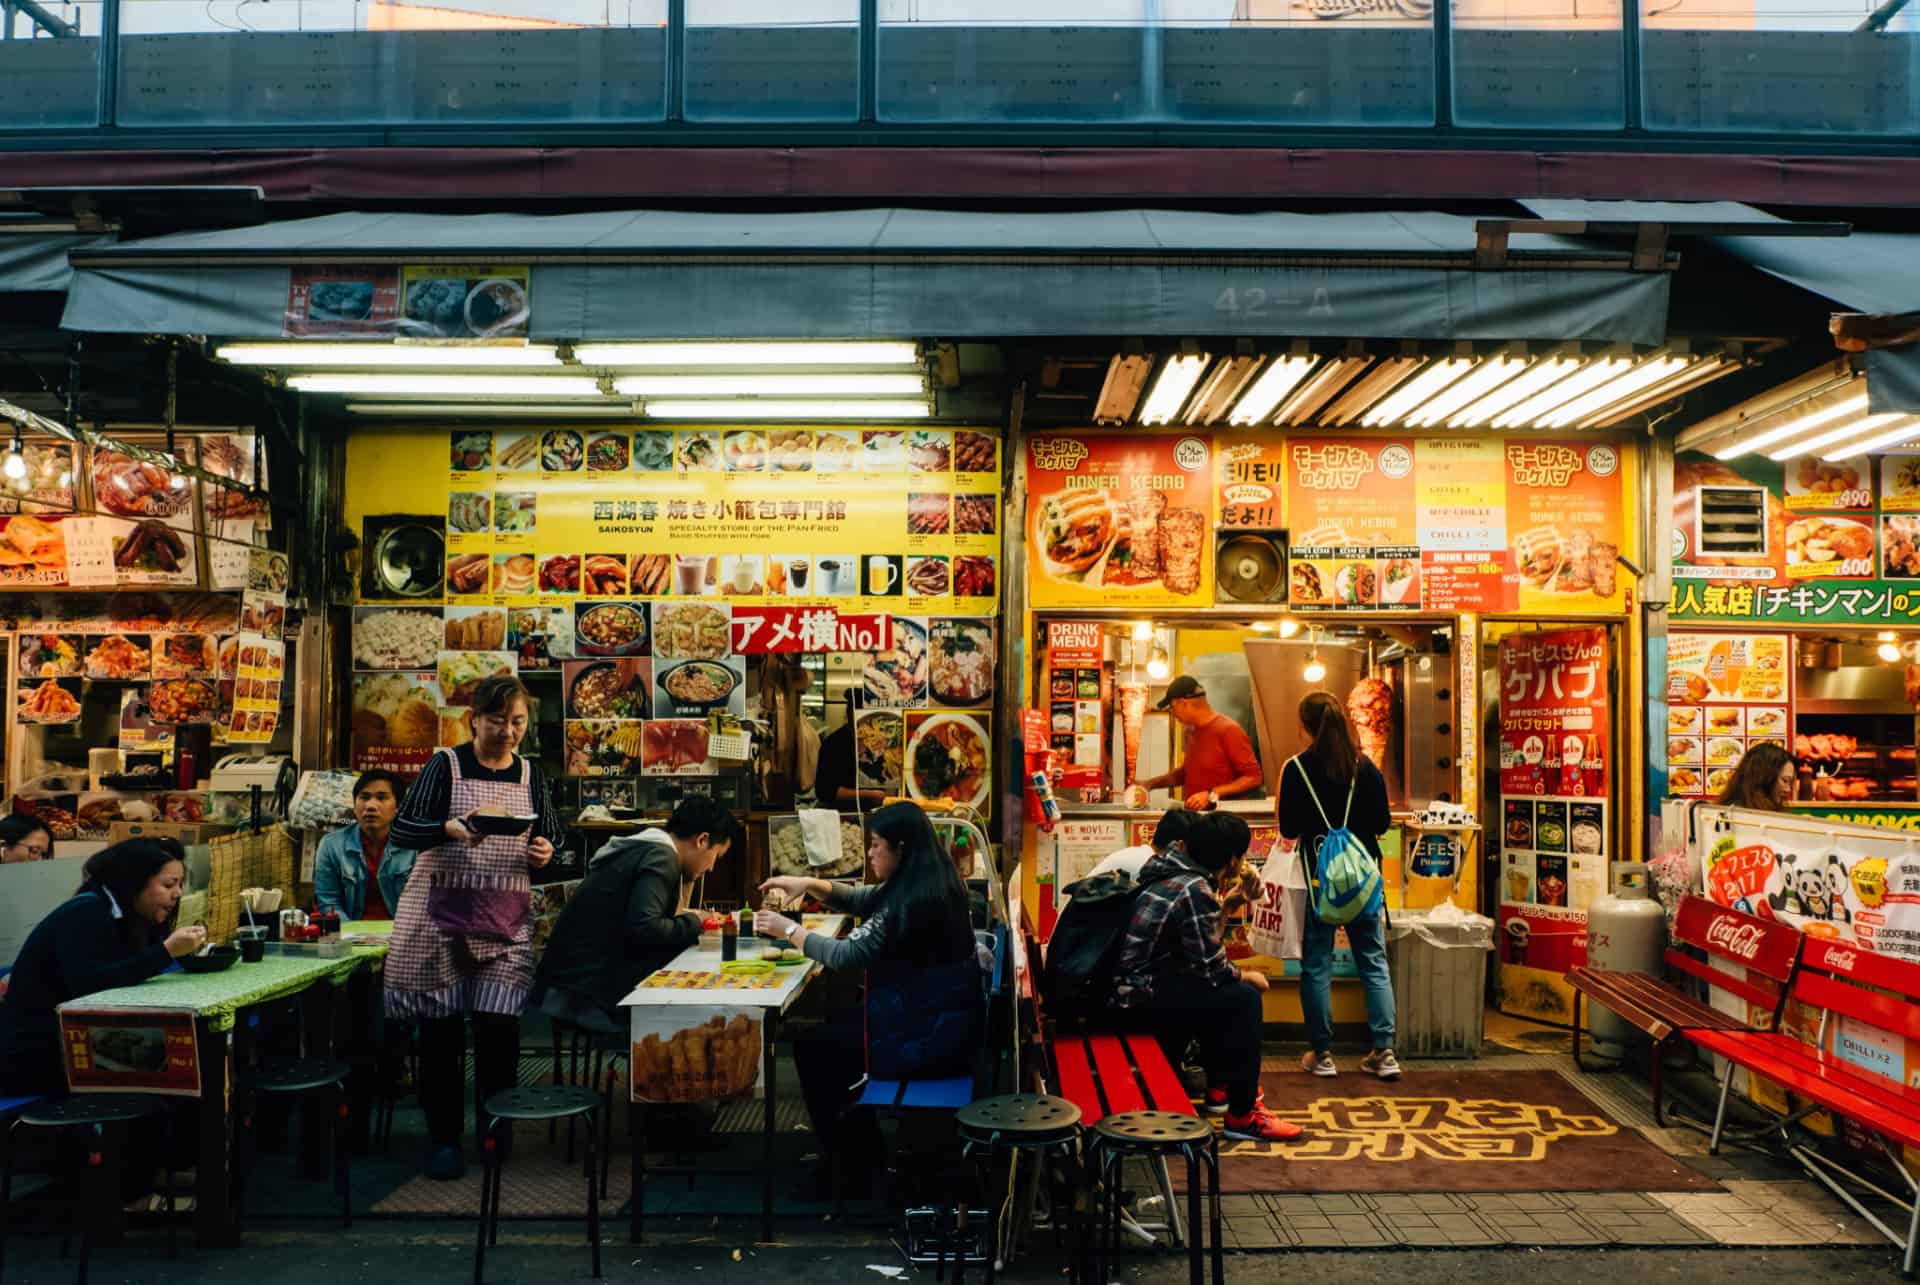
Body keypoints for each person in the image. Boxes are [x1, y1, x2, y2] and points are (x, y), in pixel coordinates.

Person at [384, 676, 563, 1181]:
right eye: (498, 720)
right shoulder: (446, 764)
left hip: (504, 921)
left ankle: (494, 1130)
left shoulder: (531, 773)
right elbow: (403, 829)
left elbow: (552, 834)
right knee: (440, 1036)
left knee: (499, 1030)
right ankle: (443, 1139)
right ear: (474, 720)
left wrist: (545, 850)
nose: (508, 731)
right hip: (441, 918)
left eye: (518, 722)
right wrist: (448, 827)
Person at [754, 801, 981, 1193]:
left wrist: (787, 930)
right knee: (827, 1039)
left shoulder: (914, 901)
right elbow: (861, 899)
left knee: (814, 1049)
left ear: (902, 848)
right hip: (929, 1022)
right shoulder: (927, 881)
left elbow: (847, 955)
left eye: (877, 846)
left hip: (924, 1040)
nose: (871, 853)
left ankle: (853, 1167)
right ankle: (857, 1156)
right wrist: (807, 883)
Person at [1107, 811, 1297, 1141]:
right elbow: (1212, 968)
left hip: (1135, 992)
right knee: (1243, 1000)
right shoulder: (1193, 888)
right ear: (1234, 859)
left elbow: (1198, 955)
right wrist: (1248, 976)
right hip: (1139, 1002)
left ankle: (1221, 1088)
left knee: (1217, 994)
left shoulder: (1171, 873)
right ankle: (1242, 1114)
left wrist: (1225, 909)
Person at [0, 837, 205, 1096]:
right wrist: (165, 953)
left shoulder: (134, 918)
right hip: (36, 1055)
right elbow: (90, 985)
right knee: (172, 1074)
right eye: (168, 884)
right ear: (134, 882)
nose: (178, 893)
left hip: (81, 1044)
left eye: (179, 884)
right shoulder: (86, 912)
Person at [531, 797, 742, 1034]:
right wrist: (698, 921)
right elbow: (645, 928)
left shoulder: (645, 848)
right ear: (702, 840)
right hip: (584, 994)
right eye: (716, 857)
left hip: (568, 985)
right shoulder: (661, 857)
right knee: (695, 1022)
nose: (712, 868)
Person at [1277, 691, 1399, 1082]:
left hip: (1319, 885)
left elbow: (1288, 829)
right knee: (1374, 963)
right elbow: (1381, 824)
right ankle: (1384, 1053)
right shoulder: (1366, 768)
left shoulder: (1296, 768)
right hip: (1363, 884)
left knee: (1316, 966)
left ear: (1305, 726)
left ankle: (1323, 1054)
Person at [1139, 676, 1263, 811]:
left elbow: (1254, 778)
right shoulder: (1190, 731)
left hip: (1221, 821)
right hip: (1194, 817)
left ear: (1183, 703)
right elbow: (1186, 772)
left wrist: (1211, 795)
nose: (1173, 714)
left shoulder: (1228, 730)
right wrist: (1149, 784)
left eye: (1172, 708)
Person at [313, 769, 418, 921]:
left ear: (398, 807)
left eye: (382, 798)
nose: (370, 806)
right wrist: (352, 937)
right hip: (350, 936)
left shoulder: (414, 845)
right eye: (364, 797)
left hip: (401, 935)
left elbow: (423, 905)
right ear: (355, 806)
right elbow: (329, 903)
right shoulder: (331, 845)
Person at [813, 692, 888, 812]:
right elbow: (824, 791)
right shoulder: (835, 743)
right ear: (850, 715)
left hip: (879, 813)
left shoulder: (882, 741)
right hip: (843, 815)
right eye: (864, 717)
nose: (869, 723)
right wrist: (870, 795)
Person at [1717, 742, 1795, 811]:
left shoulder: (1762, 809)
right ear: (1763, 777)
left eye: (1790, 782)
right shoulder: (1737, 813)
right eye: (1785, 780)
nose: (1788, 789)